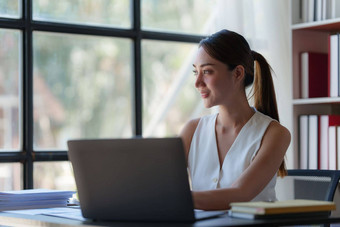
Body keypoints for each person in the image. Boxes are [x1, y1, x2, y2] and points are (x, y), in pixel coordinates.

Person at [179, 29, 291, 211]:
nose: (197, 82)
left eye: (207, 71)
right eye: (195, 72)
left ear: (238, 73)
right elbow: (162, 182)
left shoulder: (275, 134)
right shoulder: (192, 130)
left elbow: (240, 194)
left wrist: (170, 198)